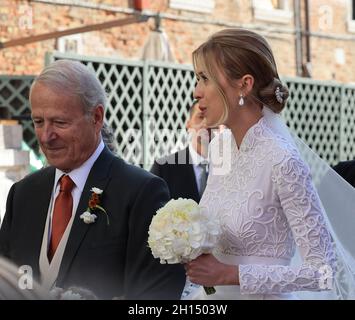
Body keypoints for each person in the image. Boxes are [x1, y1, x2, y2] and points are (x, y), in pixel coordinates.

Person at [0, 59, 185, 299]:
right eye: (38, 122)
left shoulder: (141, 192)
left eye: (59, 122)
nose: (46, 136)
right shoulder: (23, 193)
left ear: (97, 117)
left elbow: (156, 296)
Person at [184, 28, 341, 300]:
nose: (196, 92)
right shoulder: (221, 147)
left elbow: (324, 271)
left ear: (244, 84)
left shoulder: (283, 160)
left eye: (204, 79)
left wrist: (229, 274)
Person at [150, 100, 211, 202]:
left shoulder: (231, 169)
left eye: (212, 118)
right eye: (200, 117)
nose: (206, 124)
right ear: (188, 125)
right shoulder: (164, 168)